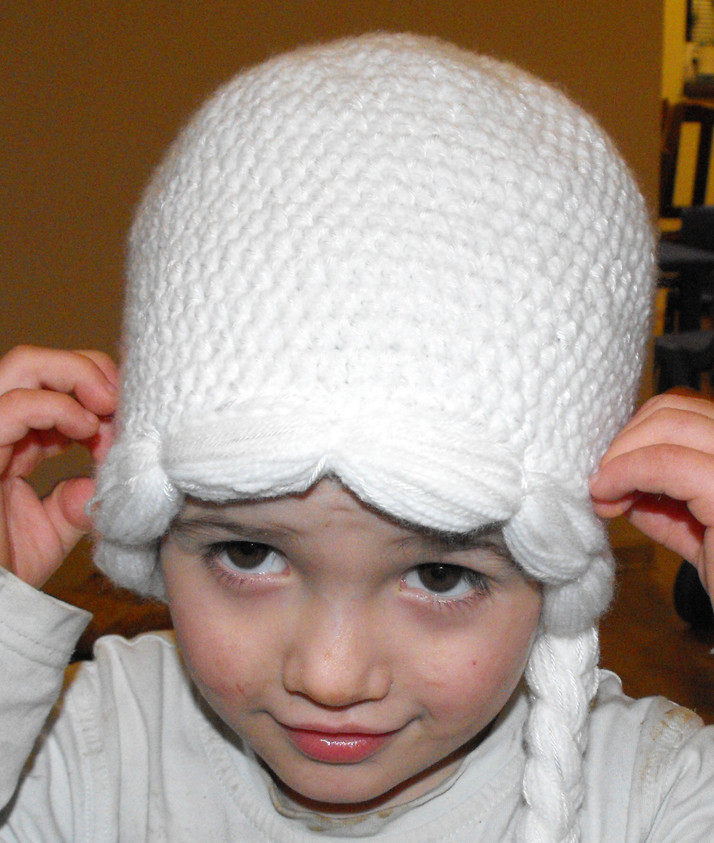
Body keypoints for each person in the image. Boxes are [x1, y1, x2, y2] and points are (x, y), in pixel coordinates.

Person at [1, 32, 712, 843]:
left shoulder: (652, 796)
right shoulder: (74, 754)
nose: (330, 676)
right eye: (247, 553)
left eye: (441, 574)